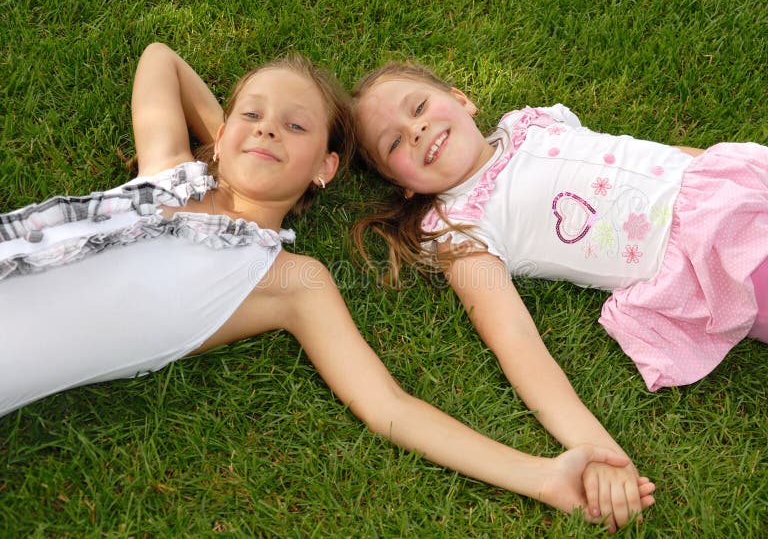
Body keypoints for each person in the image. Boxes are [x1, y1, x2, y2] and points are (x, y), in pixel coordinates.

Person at [0, 43, 653, 530]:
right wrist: (223, 141)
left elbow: (389, 407)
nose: (266, 128)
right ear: (223, 132)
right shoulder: (167, 169)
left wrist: (541, 475)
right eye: (251, 115)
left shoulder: (285, 280)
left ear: (325, 169)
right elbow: (160, 59)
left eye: (295, 127)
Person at [349, 61, 768, 528]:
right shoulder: (463, 228)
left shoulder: (529, 123)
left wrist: (766, 167)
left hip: (731, 184)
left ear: (462, 99)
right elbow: (514, 341)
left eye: (418, 107)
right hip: (713, 257)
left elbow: (652, 156)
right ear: (401, 186)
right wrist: (595, 448)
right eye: (394, 142)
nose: (415, 130)